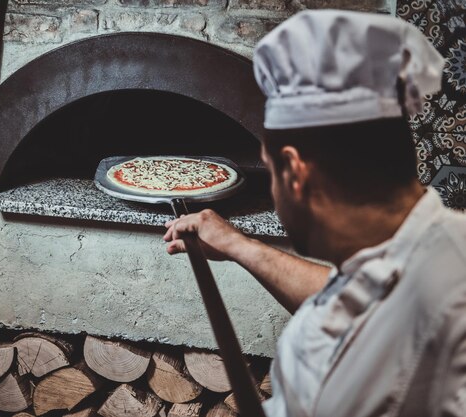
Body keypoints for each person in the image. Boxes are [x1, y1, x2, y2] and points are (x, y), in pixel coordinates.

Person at [164, 9, 466, 417]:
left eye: (271, 172)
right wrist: (241, 246)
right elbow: (360, 296)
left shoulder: (329, 373)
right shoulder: (444, 245)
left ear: (295, 172)